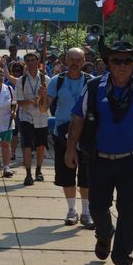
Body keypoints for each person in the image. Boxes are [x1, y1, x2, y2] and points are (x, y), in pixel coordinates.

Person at [66, 41, 133, 265]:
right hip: (99, 159)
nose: (121, 65)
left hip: (131, 160)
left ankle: (122, 260)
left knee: (129, 209)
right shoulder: (92, 87)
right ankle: (104, 232)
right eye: (116, 60)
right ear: (108, 63)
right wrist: (70, 149)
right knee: (98, 206)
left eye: (127, 60)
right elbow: (77, 120)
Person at [47, 48, 94, 228]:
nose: (74, 63)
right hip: (62, 133)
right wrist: (42, 99)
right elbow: (44, 107)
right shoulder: (56, 81)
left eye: (78, 60)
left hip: (86, 134)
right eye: (71, 59)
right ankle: (72, 210)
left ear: (83, 61)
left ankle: (86, 212)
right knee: (67, 173)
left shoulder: (91, 82)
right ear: (65, 60)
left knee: (86, 175)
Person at [16, 52, 50, 186]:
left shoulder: (45, 79)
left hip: (41, 118)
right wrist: (32, 101)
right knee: (27, 146)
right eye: (28, 60)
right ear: (26, 63)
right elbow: (19, 102)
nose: (31, 63)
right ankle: (28, 174)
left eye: (33, 60)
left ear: (38, 62)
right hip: (26, 117)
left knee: (41, 146)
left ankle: (39, 171)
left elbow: (48, 101)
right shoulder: (21, 80)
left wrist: (43, 96)